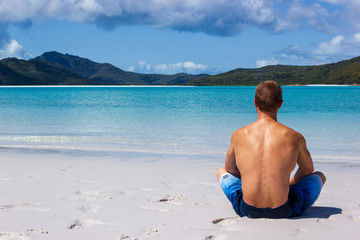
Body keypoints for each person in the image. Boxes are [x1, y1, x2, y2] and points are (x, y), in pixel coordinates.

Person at [216, 80, 326, 218]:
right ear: (280, 104)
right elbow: (308, 170)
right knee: (319, 176)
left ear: (255, 102)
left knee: (221, 171)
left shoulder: (238, 135)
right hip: (283, 210)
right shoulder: (294, 137)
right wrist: (288, 184)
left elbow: (230, 169)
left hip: (247, 209)